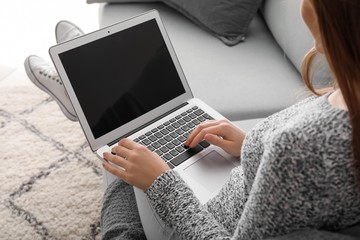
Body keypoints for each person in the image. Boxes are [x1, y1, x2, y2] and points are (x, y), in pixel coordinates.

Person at [25, 0, 360, 239]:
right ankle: (85, 88)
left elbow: (305, 161)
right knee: (133, 138)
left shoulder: (303, 147)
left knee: (119, 146)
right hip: (242, 187)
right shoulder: (347, 102)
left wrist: (162, 183)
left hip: (202, 221)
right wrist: (252, 146)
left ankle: (83, 91)